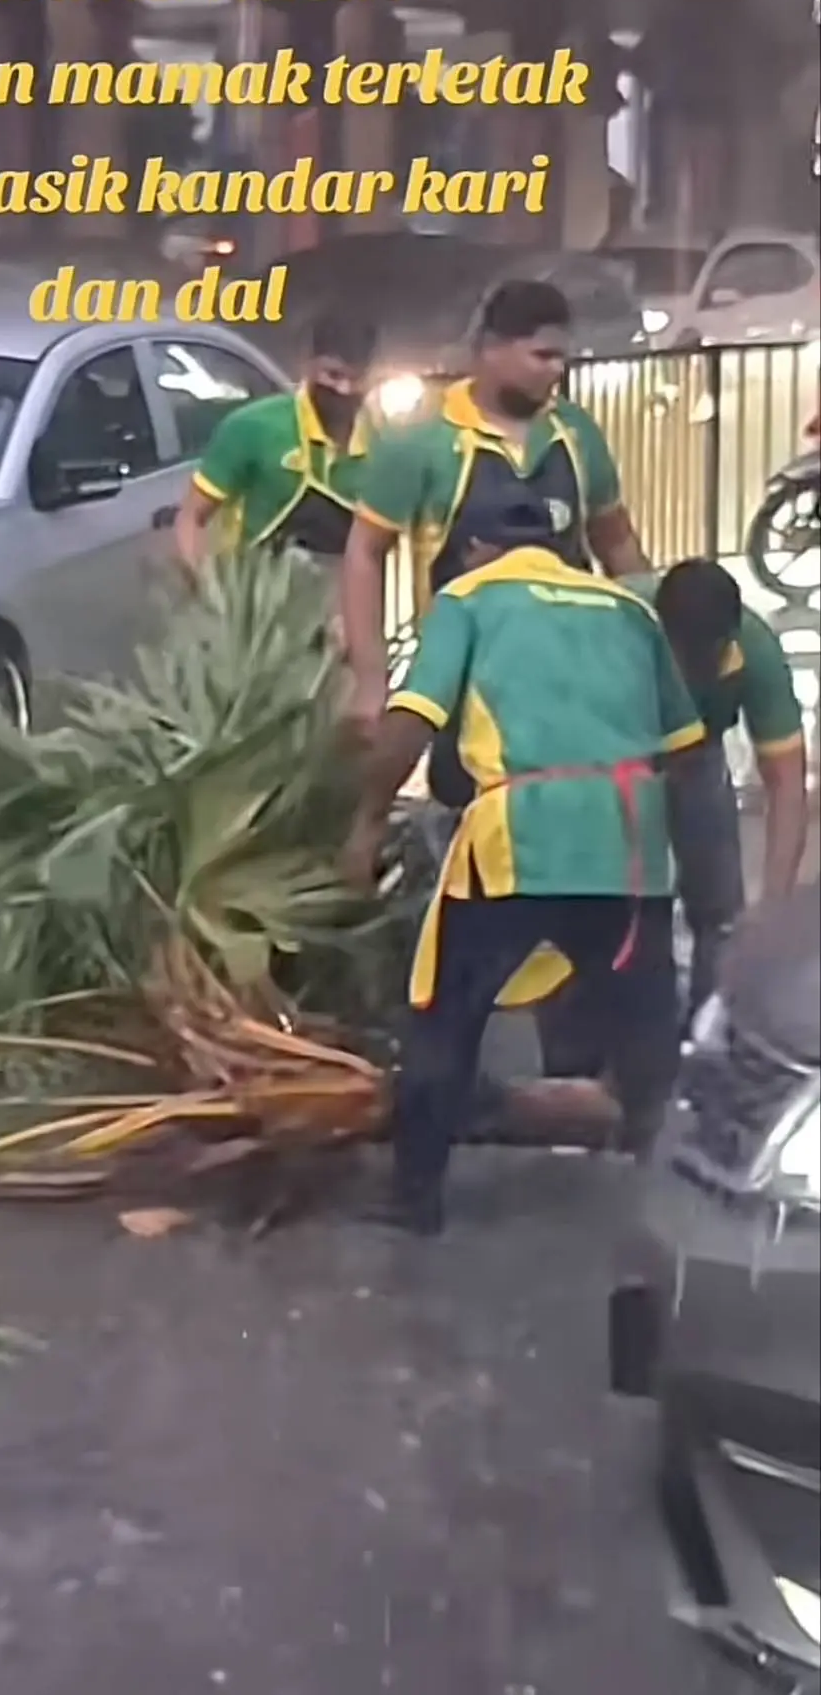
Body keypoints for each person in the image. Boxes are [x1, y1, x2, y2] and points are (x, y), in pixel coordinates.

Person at [342, 496, 705, 1236]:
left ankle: (416, 1199)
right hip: (630, 846)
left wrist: (367, 823)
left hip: (520, 839)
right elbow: (689, 748)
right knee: (647, 1034)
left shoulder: (469, 596)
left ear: (474, 546)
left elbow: (414, 718)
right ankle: (687, 1198)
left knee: (445, 1017)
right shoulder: (628, 608)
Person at [341, 279, 648, 743]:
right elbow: (364, 553)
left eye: (562, 357)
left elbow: (618, 542)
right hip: (469, 680)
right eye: (542, 356)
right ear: (491, 349)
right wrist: (371, 679)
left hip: (573, 669)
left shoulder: (576, 432)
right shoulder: (421, 437)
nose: (557, 371)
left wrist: (651, 640)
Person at [536, 557, 808, 1073]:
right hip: (597, 756)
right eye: (684, 661)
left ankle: (705, 1051)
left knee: (724, 915)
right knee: (594, 908)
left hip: (696, 758)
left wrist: (773, 906)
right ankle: (573, 1064)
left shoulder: (751, 651)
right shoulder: (603, 633)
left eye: (706, 662)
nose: (694, 673)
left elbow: (787, 782)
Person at [173, 310, 377, 576]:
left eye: (356, 378)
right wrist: (206, 587)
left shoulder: (385, 438)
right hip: (255, 597)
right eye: (333, 375)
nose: (345, 389)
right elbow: (191, 518)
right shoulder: (253, 427)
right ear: (308, 366)